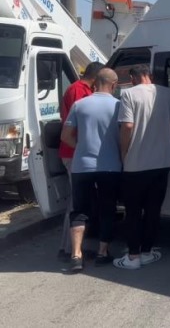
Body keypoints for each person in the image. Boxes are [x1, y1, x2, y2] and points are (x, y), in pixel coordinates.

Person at [113, 65, 170, 270]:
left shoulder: (128, 94)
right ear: (149, 76)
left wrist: (123, 153)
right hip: (162, 162)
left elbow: (127, 126)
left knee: (133, 211)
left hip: (135, 164)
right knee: (153, 210)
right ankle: (147, 252)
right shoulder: (169, 94)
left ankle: (133, 257)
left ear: (133, 78)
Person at [59, 68, 121, 272]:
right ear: (113, 84)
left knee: (79, 211)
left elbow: (65, 136)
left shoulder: (80, 104)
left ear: (95, 83)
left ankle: (77, 255)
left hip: (81, 166)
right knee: (107, 209)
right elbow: (125, 134)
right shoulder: (119, 106)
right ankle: (103, 252)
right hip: (110, 166)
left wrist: (82, 147)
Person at [57, 61, 104, 261]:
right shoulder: (78, 90)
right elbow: (82, 123)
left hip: (80, 152)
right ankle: (68, 249)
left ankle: (77, 246)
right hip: (74, 151)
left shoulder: (82, 89)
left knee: (84, 199)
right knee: (77, 201)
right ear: (98, 77)